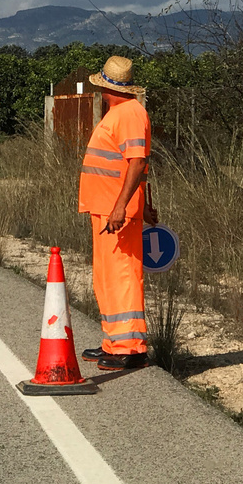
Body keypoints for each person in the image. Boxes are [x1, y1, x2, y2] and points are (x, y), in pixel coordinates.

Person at [77, 55, 157, 371]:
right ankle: (114, 343)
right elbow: (136, 165)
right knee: (107, 278)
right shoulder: (122, 112)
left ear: (106, 87)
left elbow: (138, 163)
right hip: (107, 210)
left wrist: (122, 206)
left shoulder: (131, 114)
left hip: (116, 212)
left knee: (122, 277)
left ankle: (131, 348)